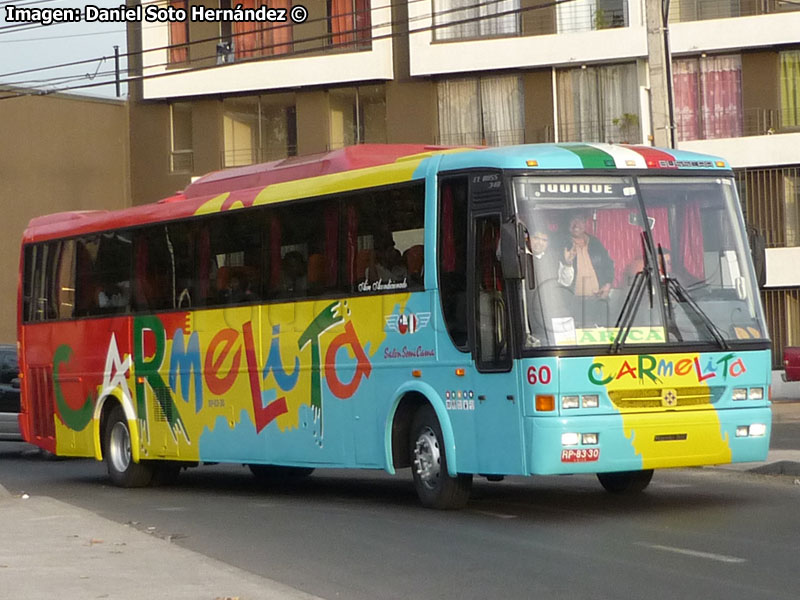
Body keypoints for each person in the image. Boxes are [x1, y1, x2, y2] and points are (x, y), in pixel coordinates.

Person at [560, 212, 615, 327]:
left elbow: (608, 265)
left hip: (597, 300)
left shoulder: (595, 243)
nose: (576, 225)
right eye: (573, 221)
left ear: (585, 224)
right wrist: (567, 262)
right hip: (573, 303)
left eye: (579, 220)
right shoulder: (560, 243)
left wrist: (608, 284)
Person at [524, 227, 574, 345]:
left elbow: (566, 282)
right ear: (527, 238)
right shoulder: (519, 257)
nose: (539, 243)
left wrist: (568, 264)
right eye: (536, 238)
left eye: (544, 240)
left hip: (551, 314)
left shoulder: (554, 258)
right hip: (529, 316)